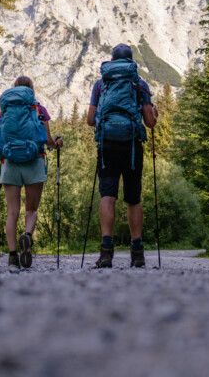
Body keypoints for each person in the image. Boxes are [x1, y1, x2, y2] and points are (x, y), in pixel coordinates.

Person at [86, 44, 157, 268]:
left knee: (108, 195)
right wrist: (154, 111)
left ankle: (106, 252)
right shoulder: (139, 83)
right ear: (130, 62)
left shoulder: (101, 83)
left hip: (107, 146)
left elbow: (89, 119)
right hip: (132, 146)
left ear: (113, 60)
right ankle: (137, 253)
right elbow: (150, 122)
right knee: (133, 198)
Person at [0, 76, 63, 270]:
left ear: (14, 89)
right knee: (31, 209)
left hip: (10, 162)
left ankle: (12, 257)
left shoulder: (5, 109)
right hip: (34, 161)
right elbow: (48, 140)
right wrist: (56, 143)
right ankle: (27, 235)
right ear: (32, 89)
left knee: (12, 212)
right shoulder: (38, 109)